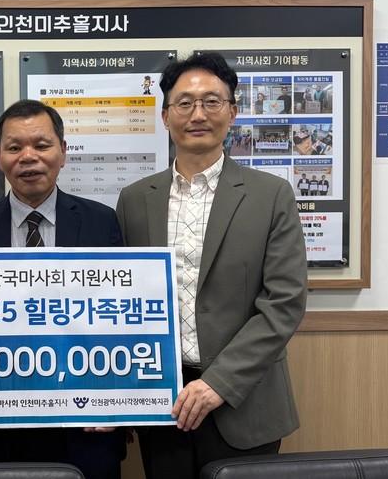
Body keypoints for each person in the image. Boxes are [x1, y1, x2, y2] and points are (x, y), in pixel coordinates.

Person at [115, 52, 307, 479]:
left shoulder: (271, 195)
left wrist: (219, 382)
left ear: (232, 113)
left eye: (211, 102)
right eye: (184, 103)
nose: (197, 114)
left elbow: (284, 303)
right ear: (165, 117)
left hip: (244, 399)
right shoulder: (134, 199)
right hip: (160, 402)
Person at [0, 99, 126, 479]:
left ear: (63, 151)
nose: (28, 157)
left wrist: (119, 400)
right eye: (14, 147)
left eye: (42, 145)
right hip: (2, 423)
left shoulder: (101, 221)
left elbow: (120, 318)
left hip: (88, 423)